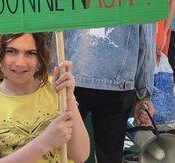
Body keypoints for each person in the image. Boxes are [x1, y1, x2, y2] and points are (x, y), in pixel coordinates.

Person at [0, 33, 90, 162]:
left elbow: (81, 155)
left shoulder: (56, 89)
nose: (20, 63)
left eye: (30, 53)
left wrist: (68, 97)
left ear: (40, 57)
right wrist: (45, 142)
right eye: (11, 51)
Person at [64, 25, 155, 163]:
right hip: (118, 81)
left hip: (69, 73)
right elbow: (146, 40)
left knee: (61, 150)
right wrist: (143, 94)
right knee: (110, 154)